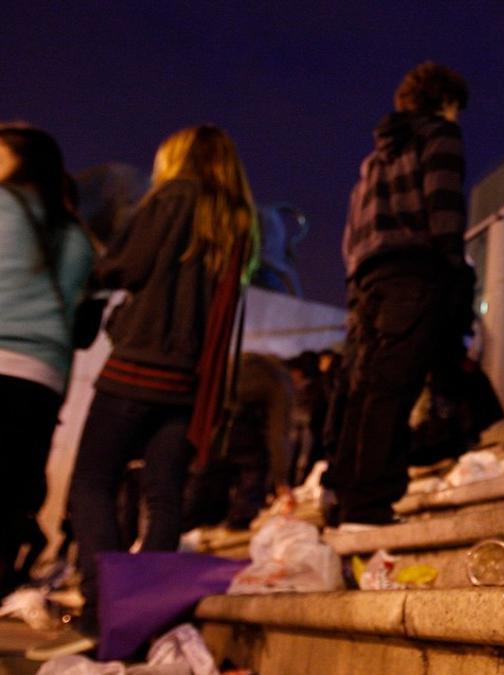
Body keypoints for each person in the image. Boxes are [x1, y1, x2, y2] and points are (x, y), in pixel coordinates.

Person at [63, 125, 257, 655]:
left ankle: (103, 605)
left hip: (138, 366)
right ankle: (143, 614)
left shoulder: (173, 198)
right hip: (186, 384)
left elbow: (126, 265)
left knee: (91, 484)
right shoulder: (234, 222)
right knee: (162, 496)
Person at [330, 62, 470, 525]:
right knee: (394, 387)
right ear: (445, 101)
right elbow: (444, 208)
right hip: (413, 272)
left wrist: (356, 284)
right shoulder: (438, 136)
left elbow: (350, 236)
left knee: (364, 388)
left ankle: (346, 493)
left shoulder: (373, 159)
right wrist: (453, 270)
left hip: (368, 280)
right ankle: (369, 503)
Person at [0, 126, 93, 597]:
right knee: (9, 504)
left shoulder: (3, 207)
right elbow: (79, 321)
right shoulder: (75, 235)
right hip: (42, 382)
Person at [182, 352, 295, 531]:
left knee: (202, 492)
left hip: (211, 435)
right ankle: (236, 527)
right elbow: (278, 433)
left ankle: (187, 534)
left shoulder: (231, 363)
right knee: (250, 483)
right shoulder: (279, 380)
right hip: (244, 438)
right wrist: (281, 479)